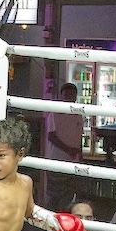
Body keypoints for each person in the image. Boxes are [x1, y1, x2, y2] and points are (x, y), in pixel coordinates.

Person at [43, 83, 84, 211]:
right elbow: (51, 136)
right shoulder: (55, 113)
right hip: (56, 160)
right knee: (55, 196)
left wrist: (80, 156)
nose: (69, 97)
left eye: (72, 94)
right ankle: (48, 225)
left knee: (69, 196)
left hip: (73, 161)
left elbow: (79, 137)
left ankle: (64, 224)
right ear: (61, 95)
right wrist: (68, 150)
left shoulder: (78, 114)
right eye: (67, 94)